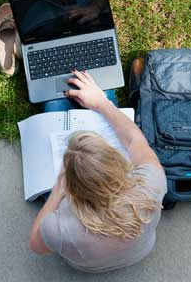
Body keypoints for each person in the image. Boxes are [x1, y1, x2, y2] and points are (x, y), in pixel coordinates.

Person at [28, 69, 167, 272]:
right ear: (118, 164)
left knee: (55, 102)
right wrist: (101, 103)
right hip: (138, 252)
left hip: (85, 266)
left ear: (73, 190)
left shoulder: (58, 228)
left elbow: (36, 244)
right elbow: (134, 140)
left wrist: (58, 190)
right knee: (100, 89)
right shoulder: (152, 183)